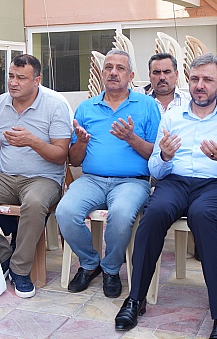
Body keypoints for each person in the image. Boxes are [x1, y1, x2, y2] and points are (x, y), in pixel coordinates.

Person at [115, 54, 217, 338]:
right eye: (195, 79)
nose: (200, 85)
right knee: (154, 212)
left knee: (203, 215)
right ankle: (135, 299)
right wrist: (165, 156)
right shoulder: (172, 117)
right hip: (176, 182)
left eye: (208, 80)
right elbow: (155, 168)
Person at [55, 50, 160, 298]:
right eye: (109, 67)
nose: (113, 72)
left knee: (121, 214)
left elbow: (157, 155)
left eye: (120, 68)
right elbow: (74, 160)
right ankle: (90, 263)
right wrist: (81, 143)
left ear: (131, 76)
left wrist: (131, 138)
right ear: (102, 73)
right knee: (65, 211)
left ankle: (111, 268)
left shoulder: (147, 106)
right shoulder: (86, 108)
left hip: (132, 182)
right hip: (92, 180)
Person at [0, 54, 72, 299]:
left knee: (35, 203)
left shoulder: (55, 105)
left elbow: (61, 155)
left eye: (21, 78)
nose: (13, 82)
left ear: (37, 80)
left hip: (44, 178)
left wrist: (32, 141)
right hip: (7, 175)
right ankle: (3, 254)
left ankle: (20, 271)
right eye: (10, 76)